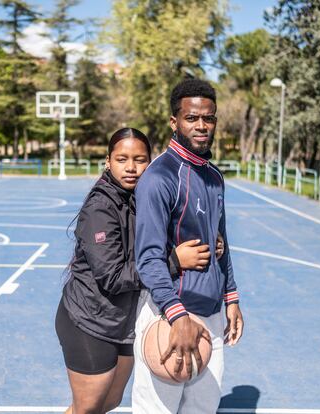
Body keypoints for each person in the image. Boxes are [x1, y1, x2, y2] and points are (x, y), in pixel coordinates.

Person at [55, 127, 221, 414]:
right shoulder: (100, 208)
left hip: (123, 321)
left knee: (109, 402)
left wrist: (210, 241)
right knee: (88, 408)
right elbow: (112, 276)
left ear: (150, 161)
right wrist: (174, 260)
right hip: (90, 321)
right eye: (122, 159)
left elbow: (167, 230)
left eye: (140, 160)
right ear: (108, 161)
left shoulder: (142, 195)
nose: (131, 167)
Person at [132, 79, 244, 414]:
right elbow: (148, 258)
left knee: (202, 411)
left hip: (211, 317)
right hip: (169, 312)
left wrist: (232, 297)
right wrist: (176, 314)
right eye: (191, 118)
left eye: (208, 119)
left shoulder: (214, 176)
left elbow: (222, 241)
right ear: (174, 122)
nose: (201, 126)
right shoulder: (159, 177)